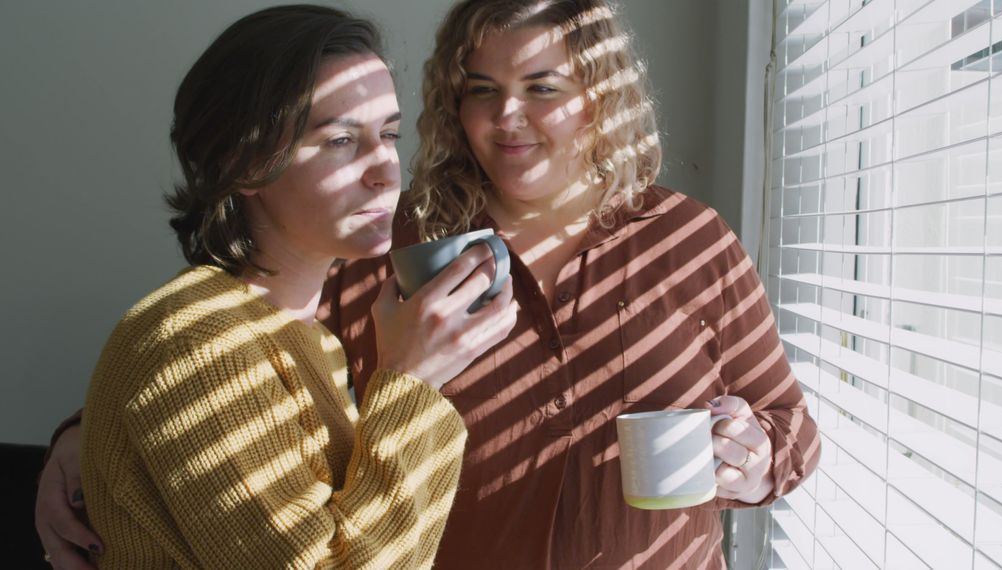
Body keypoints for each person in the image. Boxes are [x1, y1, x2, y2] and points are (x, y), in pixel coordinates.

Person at [38, 0, 820, 568]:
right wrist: (85, 442)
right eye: (480, 89)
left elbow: (789, 426)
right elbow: (240, 360)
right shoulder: (391, 242)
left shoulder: (689, 241)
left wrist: (755, 463)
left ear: (601, 95)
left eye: (542, 87)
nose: (508, 117)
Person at [41, 5, 516, 569]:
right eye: (341, 139)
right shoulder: (193, 341)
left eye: (387, 133)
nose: (387, 169)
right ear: (244, 163)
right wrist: (411, 379)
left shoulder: (310, 341)